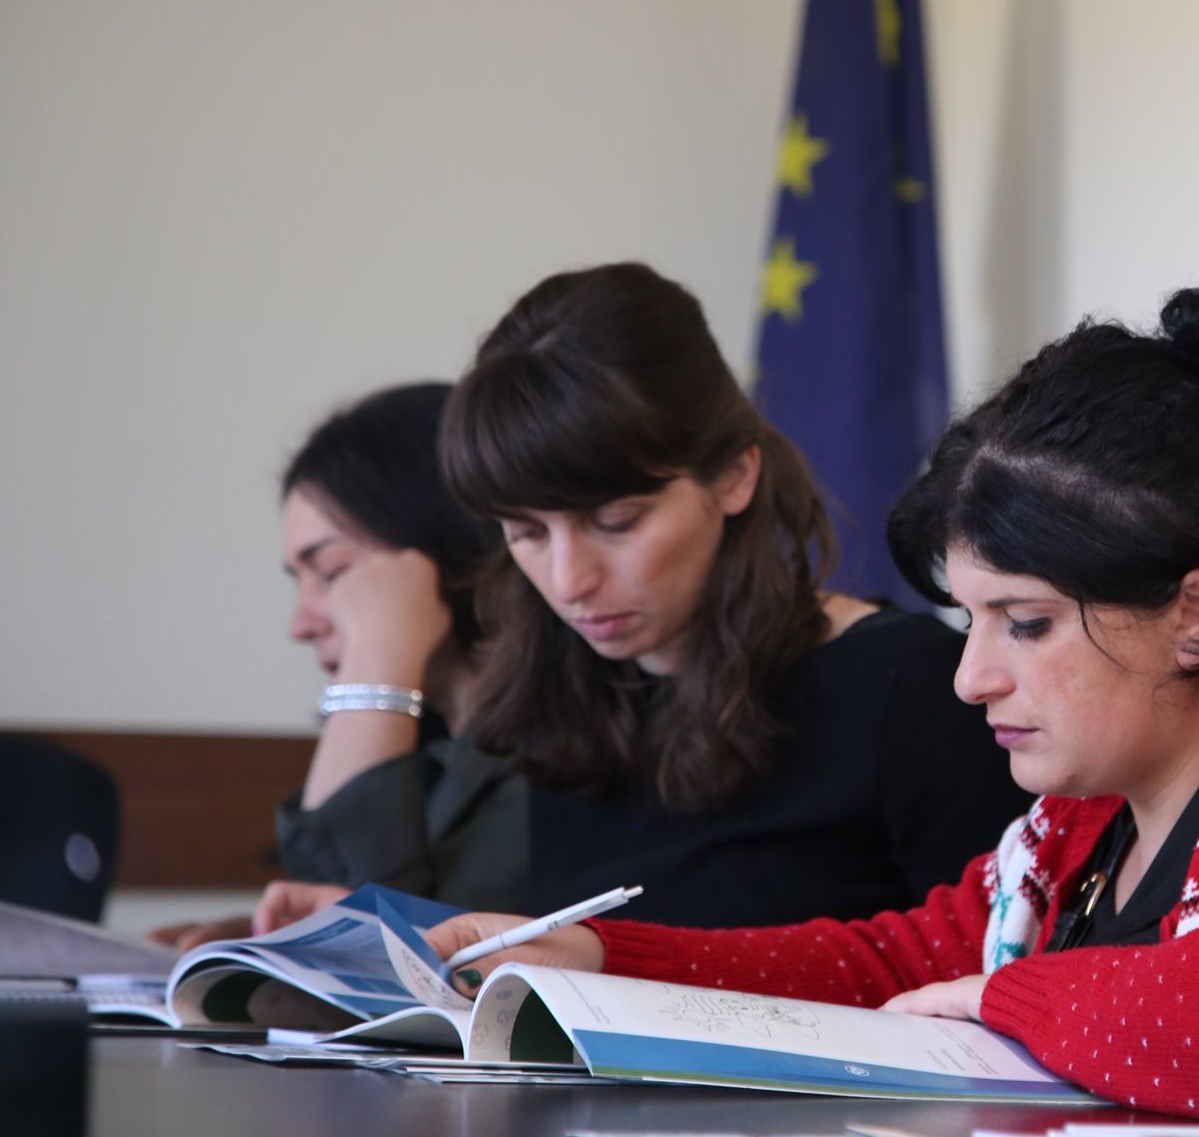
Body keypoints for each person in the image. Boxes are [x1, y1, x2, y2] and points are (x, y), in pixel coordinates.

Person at [422, 279, 1199, 1133]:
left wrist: (1000, 999)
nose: (970, 675)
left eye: (1022, 624)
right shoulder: (1092, 811)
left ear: (1194, 612)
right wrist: (602, 955)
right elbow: (900, 959)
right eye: (970, 620)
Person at [427, 260, 1026, 927]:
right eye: (526, 532)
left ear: (735, 475)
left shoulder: (910, 687)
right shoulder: (562, 691)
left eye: (616, 521)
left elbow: (995, 963)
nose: (569, 582)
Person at [152, 384, 526, 950]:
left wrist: (379, 656)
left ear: (440, 544)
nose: (299, 625)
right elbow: (346, 913)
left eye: (330, 573)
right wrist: (260, 936)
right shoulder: (428, 755)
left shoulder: (559, 758)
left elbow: (377, 956)